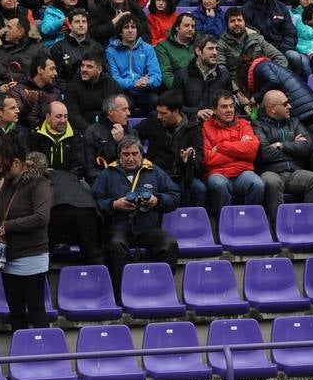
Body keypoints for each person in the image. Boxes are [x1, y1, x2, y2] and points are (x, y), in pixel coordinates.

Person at [0, 140, 53, 332]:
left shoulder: (39, 183)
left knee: (36, 310)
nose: (1, 172)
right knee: (15, 312)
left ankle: (42, 354)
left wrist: (9, 226)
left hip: (32, 256)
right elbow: (9, 207)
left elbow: (41, 217)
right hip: (9, 257)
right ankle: (20, 354)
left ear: (17, 162)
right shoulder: (9, 181)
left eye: (4, 166)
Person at [92, 136, 181, 290]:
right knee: (115, 245)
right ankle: (123, 293)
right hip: (118, 227)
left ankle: (160, 289)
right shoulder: (108, 173)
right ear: (119, 155)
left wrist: (157, 200)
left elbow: (175, 196)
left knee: (169, 244)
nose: (131, 158)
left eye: (135, 154)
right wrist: (113, 205)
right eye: (126, 154)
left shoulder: (154, 171)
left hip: (147, 228)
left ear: (141, 154)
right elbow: (94, 202)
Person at [252, 89, 313, 226]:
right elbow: (265, 153)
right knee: (273, 183)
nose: (290, 107)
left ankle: (310, 226)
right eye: (285, 104)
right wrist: (295, 146)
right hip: (270, 171)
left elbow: (308, 148)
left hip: (294, 171)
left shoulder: (295, 123)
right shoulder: (258, 125)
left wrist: (282, 145)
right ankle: (281, 228)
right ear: (273, 109)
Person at [202, 91, 266, 226]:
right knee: (219, 185)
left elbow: (251, 152)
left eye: (231, 106)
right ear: (214, 109)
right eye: (224, 107)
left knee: (258, 184)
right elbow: (208, 159)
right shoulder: (206, 127)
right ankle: (224, 225)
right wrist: (239, 150)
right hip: (217, 173)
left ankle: (248, 224)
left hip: (241, 172)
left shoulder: (244, 124)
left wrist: (221, 147)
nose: (229, 110)